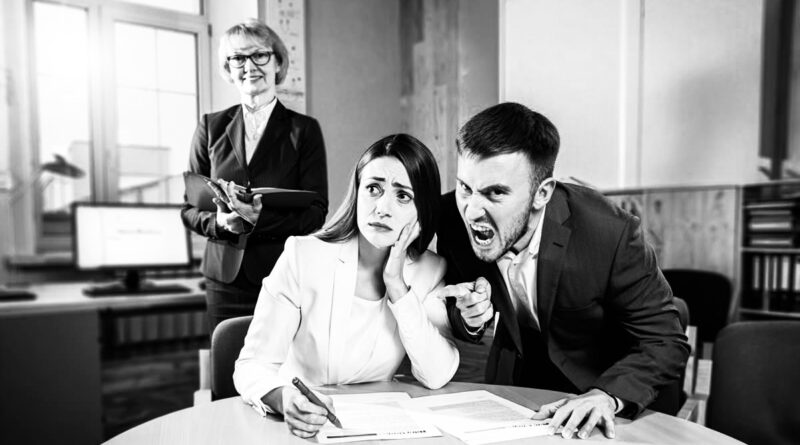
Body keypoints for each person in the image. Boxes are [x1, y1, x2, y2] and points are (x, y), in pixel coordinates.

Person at [434, 102, 690, 440]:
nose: (471, 211)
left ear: (542, 193)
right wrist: (468, 318)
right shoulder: (451, 219)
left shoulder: (610, 233)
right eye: (465, 188)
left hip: (610, 391)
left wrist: (606, 396)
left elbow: (666, 340)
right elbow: (458, 307)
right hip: (521, 385)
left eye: (495, 193)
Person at [234, 134, 459, 438]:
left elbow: (437, 374)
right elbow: (252, 365)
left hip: (377, 429)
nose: (382, 208)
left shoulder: (428, 271)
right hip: (301, 427)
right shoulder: (304, 255)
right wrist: (284, 398)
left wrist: (397, 286)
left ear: (424, 208)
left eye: (403, 196)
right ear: (357, 193)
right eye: (373, 189)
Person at [181, 19, 328, 332]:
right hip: (224, 280)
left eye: (259, 55)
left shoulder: (304, 130)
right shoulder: (210, 127)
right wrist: (221, 223)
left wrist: (257, 220)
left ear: (277, 62)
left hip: (282, 276)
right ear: (228, 68)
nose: (249, 66)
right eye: (238, 58)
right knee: (227, 359)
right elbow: (189, 210)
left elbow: (316, 213)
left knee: (279, 361)